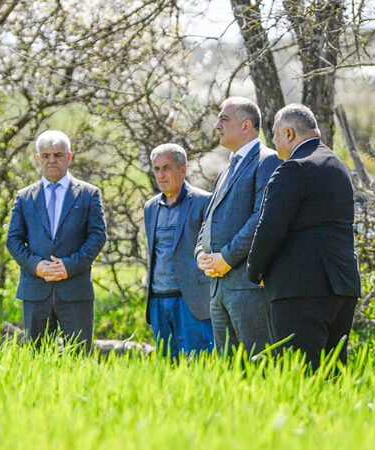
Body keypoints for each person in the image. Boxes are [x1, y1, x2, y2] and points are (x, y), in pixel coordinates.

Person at [247, 104, 361, 369]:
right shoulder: (337, 165)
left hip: (300, 289)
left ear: (289, 133)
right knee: (332, 372)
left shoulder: (293, 169)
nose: (273, 142)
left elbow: (270, 229)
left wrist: (255, 272)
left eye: (274, 134)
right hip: (342, 286)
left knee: (300, 373)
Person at [195, 97, 282, 356]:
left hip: (248, 289)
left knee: (260, 366)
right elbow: (208, 220)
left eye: (224, 119)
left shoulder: (267, 161)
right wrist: (200, 252)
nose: (217, 125)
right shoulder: (224, 171)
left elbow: (261, 218)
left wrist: (227, 258)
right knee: (229, 373)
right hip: (218, 289)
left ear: (246, 126)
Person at [6, 130, 107, 351]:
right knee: (36, 358)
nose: (52, 160)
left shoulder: (88, 194)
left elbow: (98, 236)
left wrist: (69, 266)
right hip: (35, 289)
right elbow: (13, 240)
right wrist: (36, 266)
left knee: (79, 356)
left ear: (69, 157)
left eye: (58, 155)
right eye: (46, 155)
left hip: (75, 289)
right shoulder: (24, 197)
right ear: (38, 159)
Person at [144, 144, 214, 358]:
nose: (161, 175)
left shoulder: (203, 201)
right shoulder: (150, 207)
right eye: (156, 169)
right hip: (158, 302)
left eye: (166, 168)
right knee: (168, 369)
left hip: (192, 303)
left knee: (200, 366)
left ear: (182, 170)